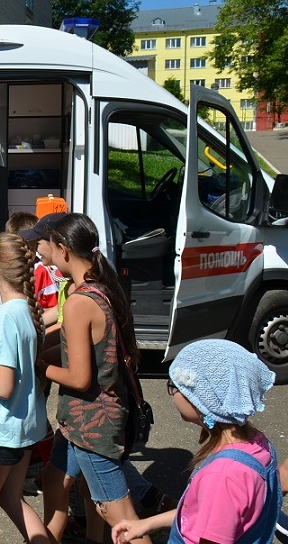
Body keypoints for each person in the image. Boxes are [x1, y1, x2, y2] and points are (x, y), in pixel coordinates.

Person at [37, 213, 150, 544]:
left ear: (63, 249)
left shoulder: (78, 302)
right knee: (54, 480)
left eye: (49, 248)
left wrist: (39, 366)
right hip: (78, 421)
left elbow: (80, 377)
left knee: (122, 518)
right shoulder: (99, 286)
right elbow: (77, 350)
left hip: (93, 426)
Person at [112, 339, 281, 544]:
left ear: (200, 399)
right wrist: (147, 524)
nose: (172, 393)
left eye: (174, 386)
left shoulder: (222, 476)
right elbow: (201, 512)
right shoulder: (258, 446)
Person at [0, 231, 50, 544]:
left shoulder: (4, 316)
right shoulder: (28, 311)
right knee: (12, 497)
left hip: (2, 430)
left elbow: (2, 386)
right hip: (26, 425)